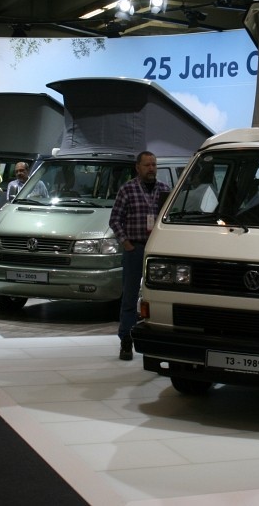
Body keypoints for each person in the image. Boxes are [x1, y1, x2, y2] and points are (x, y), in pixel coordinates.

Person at [108, 151, 170, 361]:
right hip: (135, 249)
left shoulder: (165, 190)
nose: (151, 168)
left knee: (159, 296)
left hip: (157, 251)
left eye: (154, 164)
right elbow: (115, 219)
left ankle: (160, 340)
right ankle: (126, 339)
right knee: (130, 296)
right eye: (147, 165)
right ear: (138, 167)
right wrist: (126, 243)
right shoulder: (127, 189)